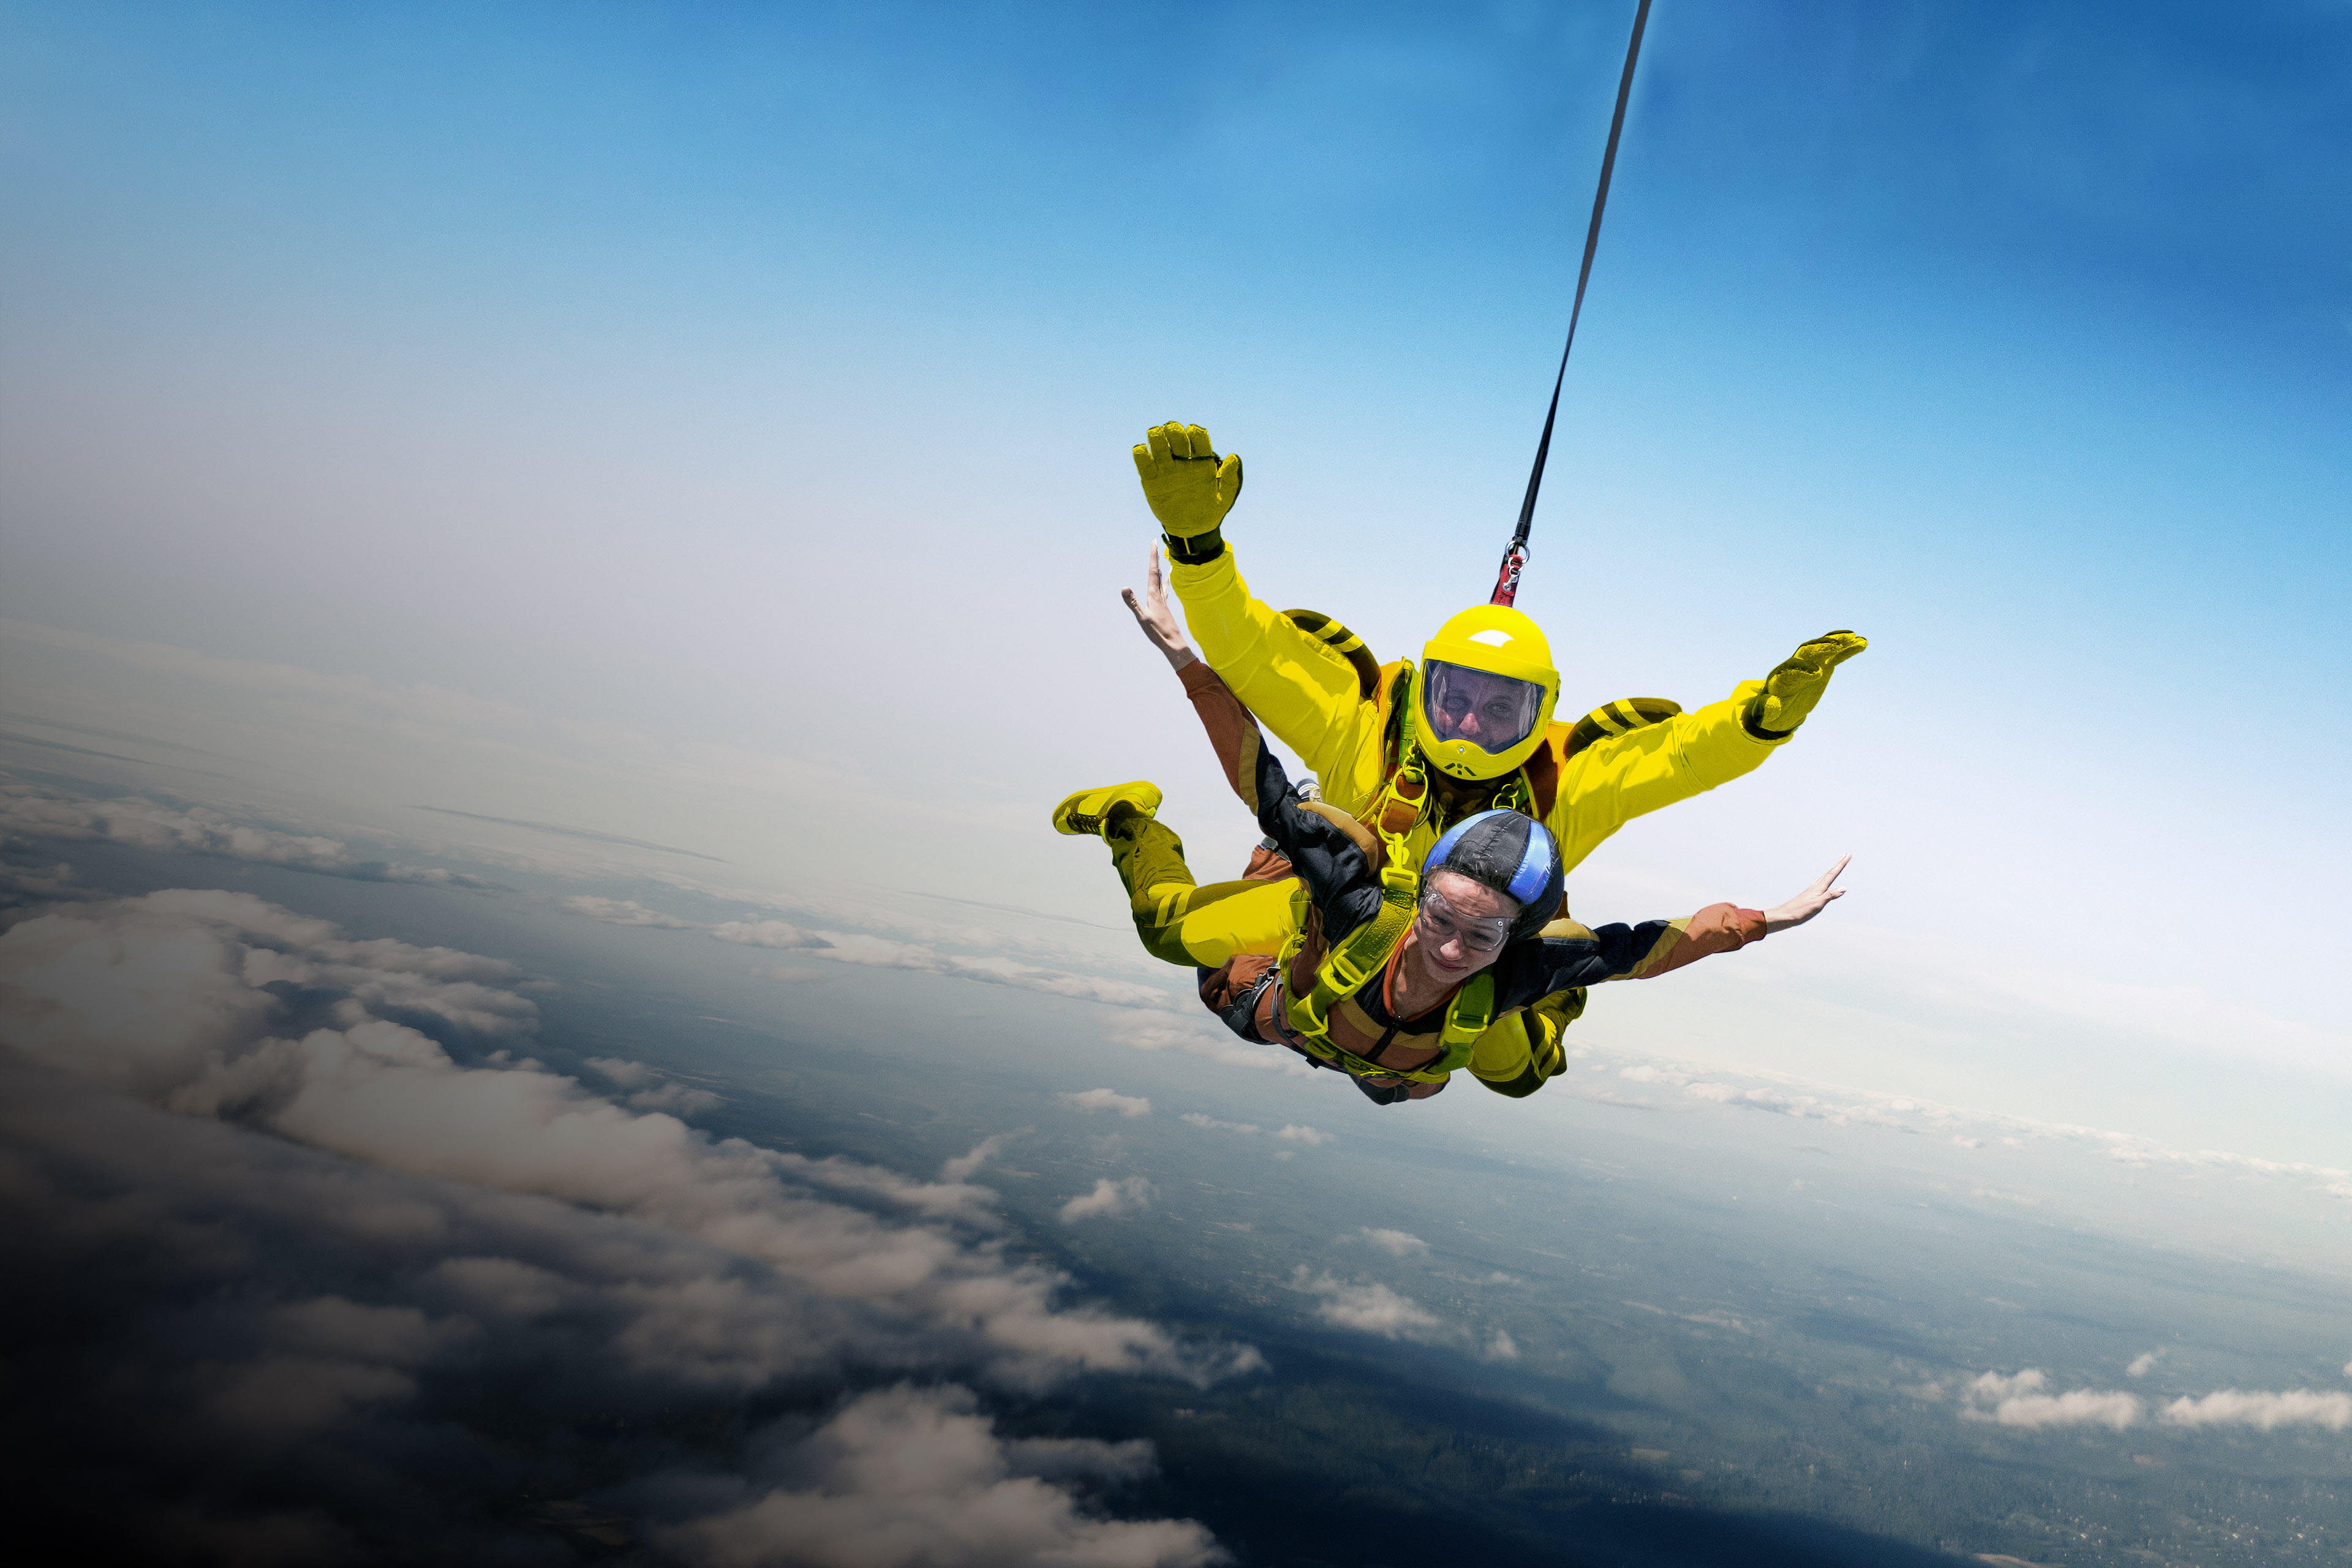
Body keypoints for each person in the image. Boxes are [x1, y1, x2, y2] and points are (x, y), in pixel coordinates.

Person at [1115, 420, 1868, 969]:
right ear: (1427, 688)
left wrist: (1760, 721)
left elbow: (1682, 758)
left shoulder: (1566, 776)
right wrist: (1199, 550)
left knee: (1514, 1065)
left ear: (1538, 713)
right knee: (1170, 932)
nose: (1472, 723)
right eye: (1456, 700)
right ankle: (1130, 824)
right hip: (1333, 907)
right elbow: (1253, 652)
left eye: (1501, 708)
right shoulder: (1369, 721)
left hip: (1477, 952)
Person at [1052, 731, 1846, 1106]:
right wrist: (1191, 642)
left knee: (1377, 1059)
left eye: (1482, 937)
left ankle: (1297, 850)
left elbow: (1640, 950)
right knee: (1178, 935)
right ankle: (1133, 819)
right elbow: (1639, 951)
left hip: (1329, 1016)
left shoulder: (1508, 975)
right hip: (1313, 944)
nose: (1455, 950)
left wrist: (1770, 919)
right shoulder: (1374, 918)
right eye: (1448, 926)